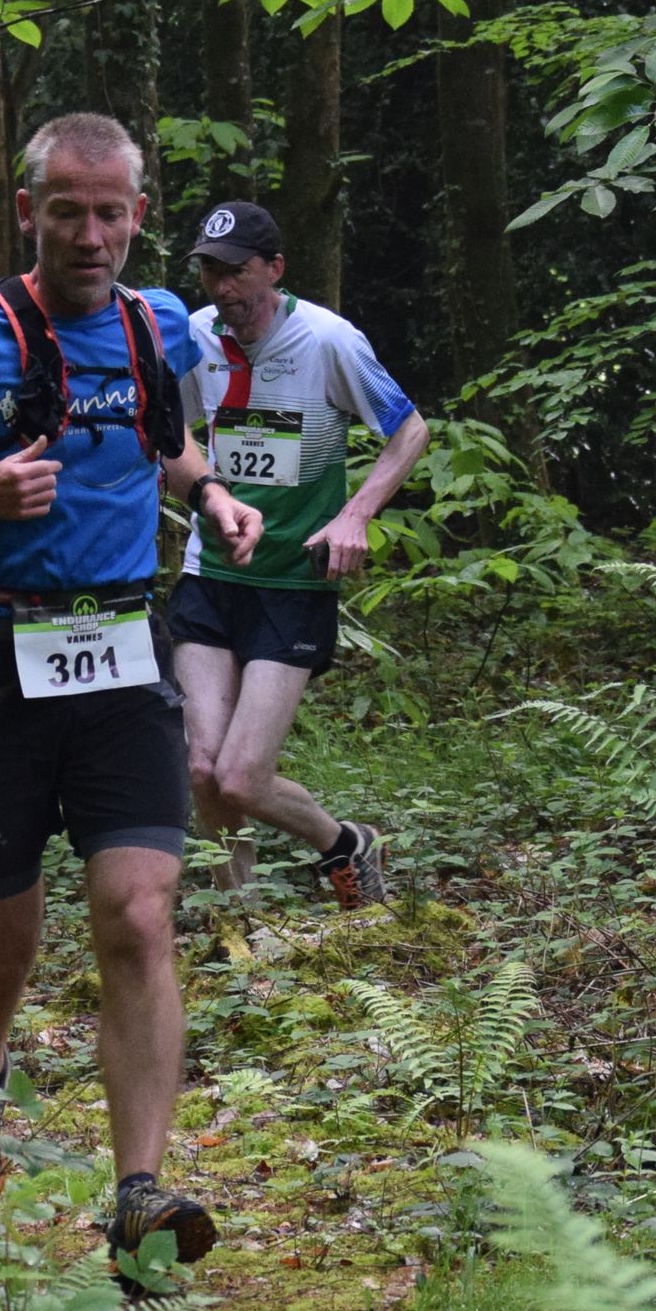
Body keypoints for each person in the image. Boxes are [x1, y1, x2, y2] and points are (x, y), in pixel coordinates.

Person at [0, 112, 265, 1288]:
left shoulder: (159, 325)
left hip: (124, 652)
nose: (89, 235)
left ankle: (138, 1196)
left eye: (110, 213)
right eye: (67, 212)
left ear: (139, 216)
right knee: (3, 948)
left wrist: (212, 495)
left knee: (137, 914)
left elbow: (164, 440)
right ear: (27, 210)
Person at [172, 200, 430, 907]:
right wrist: (209, 493)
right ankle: (243, 922)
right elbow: (170, 432)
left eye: (237, 271)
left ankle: (345, 843)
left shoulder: (328, 340)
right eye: (210, 272)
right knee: (201, 767)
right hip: (210, 571)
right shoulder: (195, 336)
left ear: (275, 268)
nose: (223, 288)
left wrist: (355, 514)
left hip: (293, 581)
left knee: (241, 777)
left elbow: (409, 430)